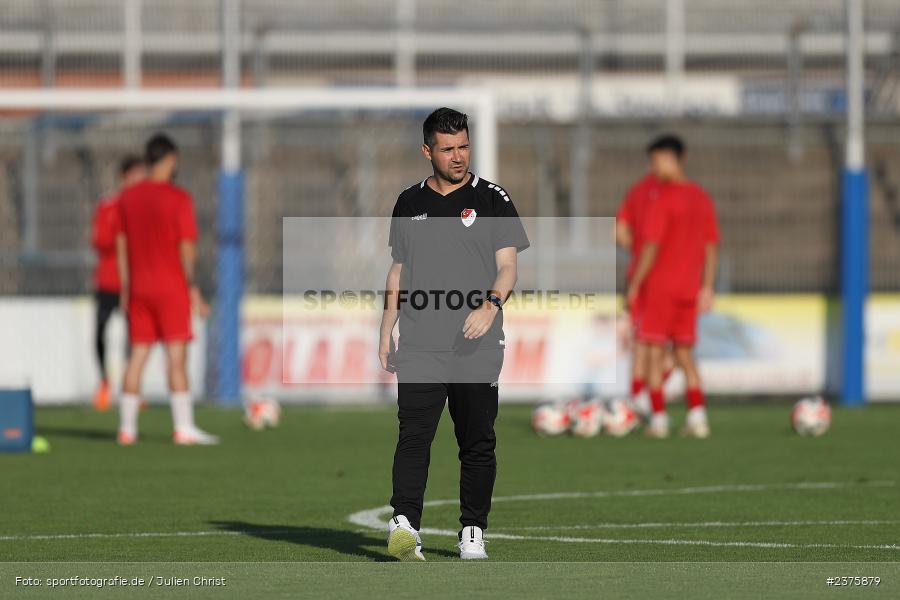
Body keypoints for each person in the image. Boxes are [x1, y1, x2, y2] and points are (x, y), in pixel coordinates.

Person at [379, 108, 529, 561]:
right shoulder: (409, 202)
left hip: (476, 343)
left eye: (464, 146)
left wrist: (490, 305)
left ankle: (472, 531)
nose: (458, 156)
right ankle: (404, 524)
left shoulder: (493, 199)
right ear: (428, 151)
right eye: (448, 149)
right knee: (414, 435)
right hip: (422, 341)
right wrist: (386, 327)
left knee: (477, 440)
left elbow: (508, 265)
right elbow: (399, 269)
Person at [115, 133, 215, 446]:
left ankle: (127, 429)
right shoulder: (178, 198)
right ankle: (183, 428)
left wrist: (126, 287)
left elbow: (121, 245)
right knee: (176, 358)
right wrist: (194, 289)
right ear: (170, 159)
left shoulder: (127, 198)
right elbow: (187, 249)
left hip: (140, 288)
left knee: (137, 357)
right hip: (171, 288)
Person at [626, 134, 719, 439]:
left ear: (670, 158)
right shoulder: (701, 197)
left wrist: (636, 284)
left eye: (655, 161)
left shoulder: (662, 198)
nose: (653, 168)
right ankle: (698, 417)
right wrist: (707, 286)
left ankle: (660, 420)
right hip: (689, 289)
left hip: (661, 287)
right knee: (684, 354)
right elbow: (711, 245)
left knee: (653, 352)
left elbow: (650, 247)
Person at [91, 155, 144, 411]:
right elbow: (99, 240)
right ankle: (104, 382)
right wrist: (122, 237)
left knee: (137, 336)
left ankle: (131, 386)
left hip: (136, 281)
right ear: (124, 177)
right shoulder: (109, 206)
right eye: (134, 175)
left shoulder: (145, 206)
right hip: (109, 280)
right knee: (100, 331)